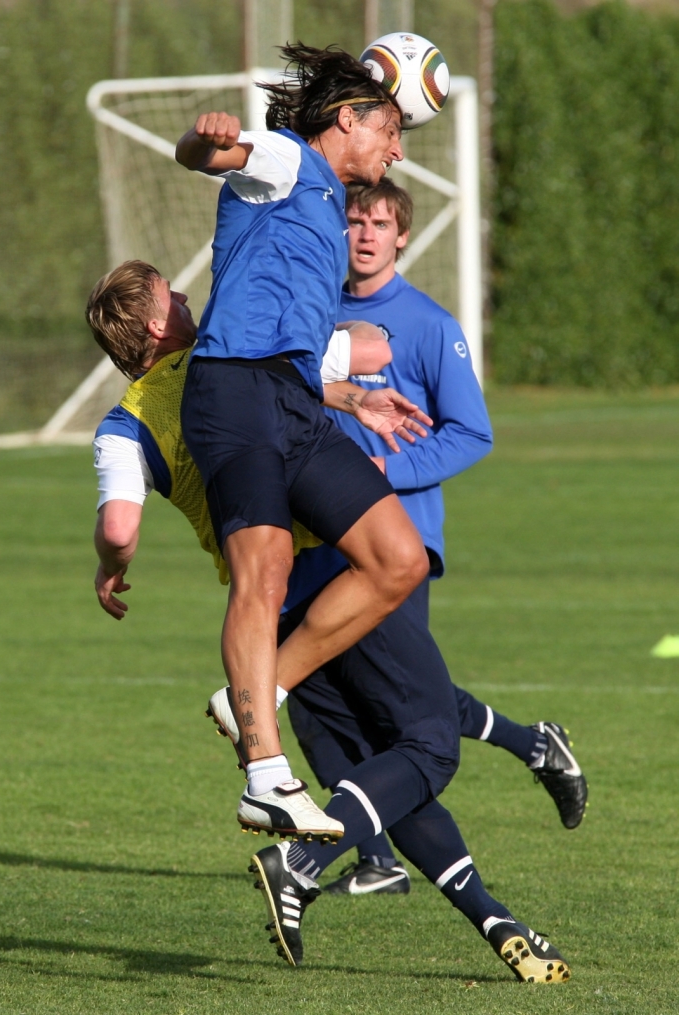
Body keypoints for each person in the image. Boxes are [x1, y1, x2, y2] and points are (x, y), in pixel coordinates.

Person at [86, 256, 577, 982]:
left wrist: (108, 562)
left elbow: (121, 526)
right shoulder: (239, 351)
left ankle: (496, 919)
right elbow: (375, 344)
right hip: (335, 575)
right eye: (173, 294)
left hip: (265, 619)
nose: (188, 296)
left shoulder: (120, 426)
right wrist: (331, 337)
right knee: (430, 744)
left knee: (384, 768)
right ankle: (302, 860)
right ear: (159, 322)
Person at [174, 44, 434, 837]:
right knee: (266, 566)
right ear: (345, 119)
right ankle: (265, 774)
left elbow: (289, 334)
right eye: (390, 130)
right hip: (232, 391)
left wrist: (351, 395)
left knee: (400, 557)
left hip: (288, 397)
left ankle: (259, 688)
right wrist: (204, 140)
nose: (396, 150)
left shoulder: (325, 201)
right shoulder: (288, 158)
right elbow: (210, 154)